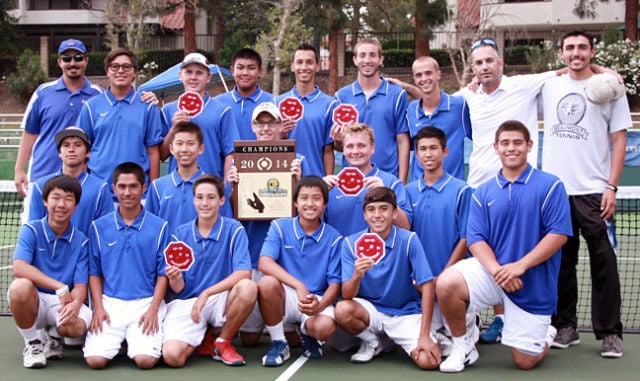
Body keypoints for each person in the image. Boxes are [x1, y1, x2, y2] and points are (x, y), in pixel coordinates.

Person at [436, 120, 572, 372]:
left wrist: (519, 267)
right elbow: (476, 240)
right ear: (496, 147)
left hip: (531, 281)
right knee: (446, 283)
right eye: (505, 143)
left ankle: (546, 333)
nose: (511, 148)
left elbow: (558, 235)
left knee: (525, 362)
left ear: (530, 145)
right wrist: (499, 271)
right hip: (493, 273)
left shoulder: (551, 186)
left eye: (518, 142)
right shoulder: (483, 192)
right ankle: (462, 346)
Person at [541, 29, 631, 358]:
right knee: (561, 263)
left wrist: (611, 186)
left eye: (582, 47)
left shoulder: (610, 90)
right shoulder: (550, 86)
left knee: (604, 262)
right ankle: (565, 326)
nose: (576, 52)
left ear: (592, 51)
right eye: (570, 48)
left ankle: (609, 332)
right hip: (555, 192)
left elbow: (619, 139)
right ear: (561, 53)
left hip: (595, 192)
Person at [226, 101, 306, 347]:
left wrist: (296, 181)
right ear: (252, 126)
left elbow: (304, 208)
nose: (265, 128)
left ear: (281, 125)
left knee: (294, 340)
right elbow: (234, 210)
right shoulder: (238, 161)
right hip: (252, 250)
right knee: (249, 340)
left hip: (283, 255)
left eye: (271, 122)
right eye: (260, 123)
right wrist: (234, 187)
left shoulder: (296, 159)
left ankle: (282, 332)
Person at [335, 187, 439, 369]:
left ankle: (434, 337)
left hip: (404, 313)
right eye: (371, 209)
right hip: (370, 313)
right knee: (343, 310)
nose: (377, 215)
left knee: (428, 362)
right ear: (364, 215)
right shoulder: (350, 244)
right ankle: (373, 341)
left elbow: (427, 286)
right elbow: (347, 294)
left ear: (394, 212)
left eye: (384, 209)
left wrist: (424, 336)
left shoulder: (409, 240)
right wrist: (357, 275)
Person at [162, 174, 257, 368]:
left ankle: (222, 342)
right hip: (188, 302)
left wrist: (207, 292)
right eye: (199, 197)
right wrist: (175, 277)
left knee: (248, 287)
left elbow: (244, 273)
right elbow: (178, 289)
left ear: (221, 200)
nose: (204, 203)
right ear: (194, 199)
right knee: (173, 357)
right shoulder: (180, 233)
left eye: (211, 197)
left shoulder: (234, 230)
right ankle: (203, 334)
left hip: (219, 299)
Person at [83, 162, 169, 369]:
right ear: (114, 188)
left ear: (144, 187)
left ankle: (133, 340)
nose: (127, 192)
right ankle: (121, 339)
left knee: (145, 361)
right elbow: (94, 272)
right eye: (122, 186)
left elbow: (163, 274)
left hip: (146, 304)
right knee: (95, 361)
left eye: (133, 186)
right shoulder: (98, 227)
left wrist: (153, 310)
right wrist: (98, 308)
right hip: (110, 304)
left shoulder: (160, 227)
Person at [9, 175, 92, 368]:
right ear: (45, 201)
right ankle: (33, 344)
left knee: (75, 328)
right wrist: (59, 286)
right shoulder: (31, 230)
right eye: (55, 198)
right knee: (19, 287)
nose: (61, 204)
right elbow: (19, 267)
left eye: (68, 199)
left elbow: (80, 285)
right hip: (35, 299)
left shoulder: (81, 240)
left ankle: (55, 333)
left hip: (62, 303)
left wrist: (76, 303)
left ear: (76, 205)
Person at [258, 176, 342, 367]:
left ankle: (307, 334)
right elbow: (264, 262)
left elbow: (335, 283)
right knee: (266, 283)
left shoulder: (334, 237)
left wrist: (319, 307)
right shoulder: (279, 226)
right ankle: (279, 342)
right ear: (295, 203)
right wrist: (298, 285)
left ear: (325, 204)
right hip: (287, 293)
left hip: (316, 298)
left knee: (324, 328)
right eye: (304, 198)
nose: (310, 204)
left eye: (316, 198)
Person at [14, 39, 102, 198]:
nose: (72, 63)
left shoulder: (99, 95)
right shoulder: (43, 93)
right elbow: (30, 133)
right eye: (67, 59)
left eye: (78, 58)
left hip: (83, 180)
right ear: (59, 62)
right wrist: (19, 169)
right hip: (43, 176)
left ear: (86, 60)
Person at [76, 48, 164, 190]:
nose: (120, 71)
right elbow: (81, 148)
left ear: (135, 72)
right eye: (115, 66)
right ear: (107, 71)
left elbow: (153, 152)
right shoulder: (91, 107)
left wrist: (153, 189)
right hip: (99, 189)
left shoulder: (147, 106)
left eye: (126, 67)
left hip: (136, 192)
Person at [333, 38, 410, 182]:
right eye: (362, 55)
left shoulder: (397, 95)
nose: (367, 60)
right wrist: (337, 141)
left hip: (388, 177)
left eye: (372, 55)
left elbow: (403, 141)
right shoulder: (341, 97)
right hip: (351, 180)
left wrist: (401, 182)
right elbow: (339, 146)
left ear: (381, 59)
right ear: (355, 60)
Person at [389, 56, 470, 181]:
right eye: (419, 75)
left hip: (452, 189)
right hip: (419, 190)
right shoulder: (411, 110)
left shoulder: (459, 106)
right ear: (414, 79)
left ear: (438, 74)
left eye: (428, 73)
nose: (424, 78)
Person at [324, 123, 412, 237]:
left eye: (361, 146)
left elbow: (405, 226)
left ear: (372, 148)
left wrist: (385, 195)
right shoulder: (332, 185)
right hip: (342, 253)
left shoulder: (390, 182)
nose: (355, 151)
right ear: (343, 150)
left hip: (381, 253)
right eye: (350, 146)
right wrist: (320, 195)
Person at [161, 52, 239, 180]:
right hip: (178, 188)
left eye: (199, 73)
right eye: (189, 72)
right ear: (180, 75)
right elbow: (161, 155)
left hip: (211, 188)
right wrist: (174, 128)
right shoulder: (167, 110)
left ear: (208, 77)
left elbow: (230, 153)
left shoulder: (222, 111)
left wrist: (225, 188)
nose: (193, 77)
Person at [406, 126, 471, 278]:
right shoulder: (408, 191)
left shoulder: (461, 190)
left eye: (433, 148)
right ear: (416, 154)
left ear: (445, 152)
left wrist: (445, 275)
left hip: (452, 278)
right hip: (418, 279)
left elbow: (466, 238)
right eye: (423, 149)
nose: (428, 154)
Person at [28, 127, 112, 235]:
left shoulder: (100, 188)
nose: (71, 149)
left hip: (85, 252)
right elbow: (33, 229)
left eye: (77, 145)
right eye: (66, 145)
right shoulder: (40, 186)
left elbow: (106, 231)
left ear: (88, 153)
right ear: (59, 153)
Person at [275, 43, 337, 177]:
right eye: (299, 62)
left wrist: (327, 186)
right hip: (283, 181)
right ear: (292, 66)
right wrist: (278, 135)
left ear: (317, 66)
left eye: (309, 62)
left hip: (315, 181)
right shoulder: (276, 103)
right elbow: (265, 144)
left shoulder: (330, 105)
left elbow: (328, 150)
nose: (304, 67)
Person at [146, 121, 205, 233]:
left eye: (191, 143)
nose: (184, 149)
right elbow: (149, 227)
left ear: (201, 149)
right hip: (167, 250)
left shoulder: (212, 186)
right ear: (171, 149)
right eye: (179, 143)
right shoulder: (158, 187)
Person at [215, 48, 275, 140]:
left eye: (251, 68)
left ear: (260, 71)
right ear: (232, 70)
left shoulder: (274, 103)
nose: (245, 73)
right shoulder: (217, 104)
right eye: (240, 68)